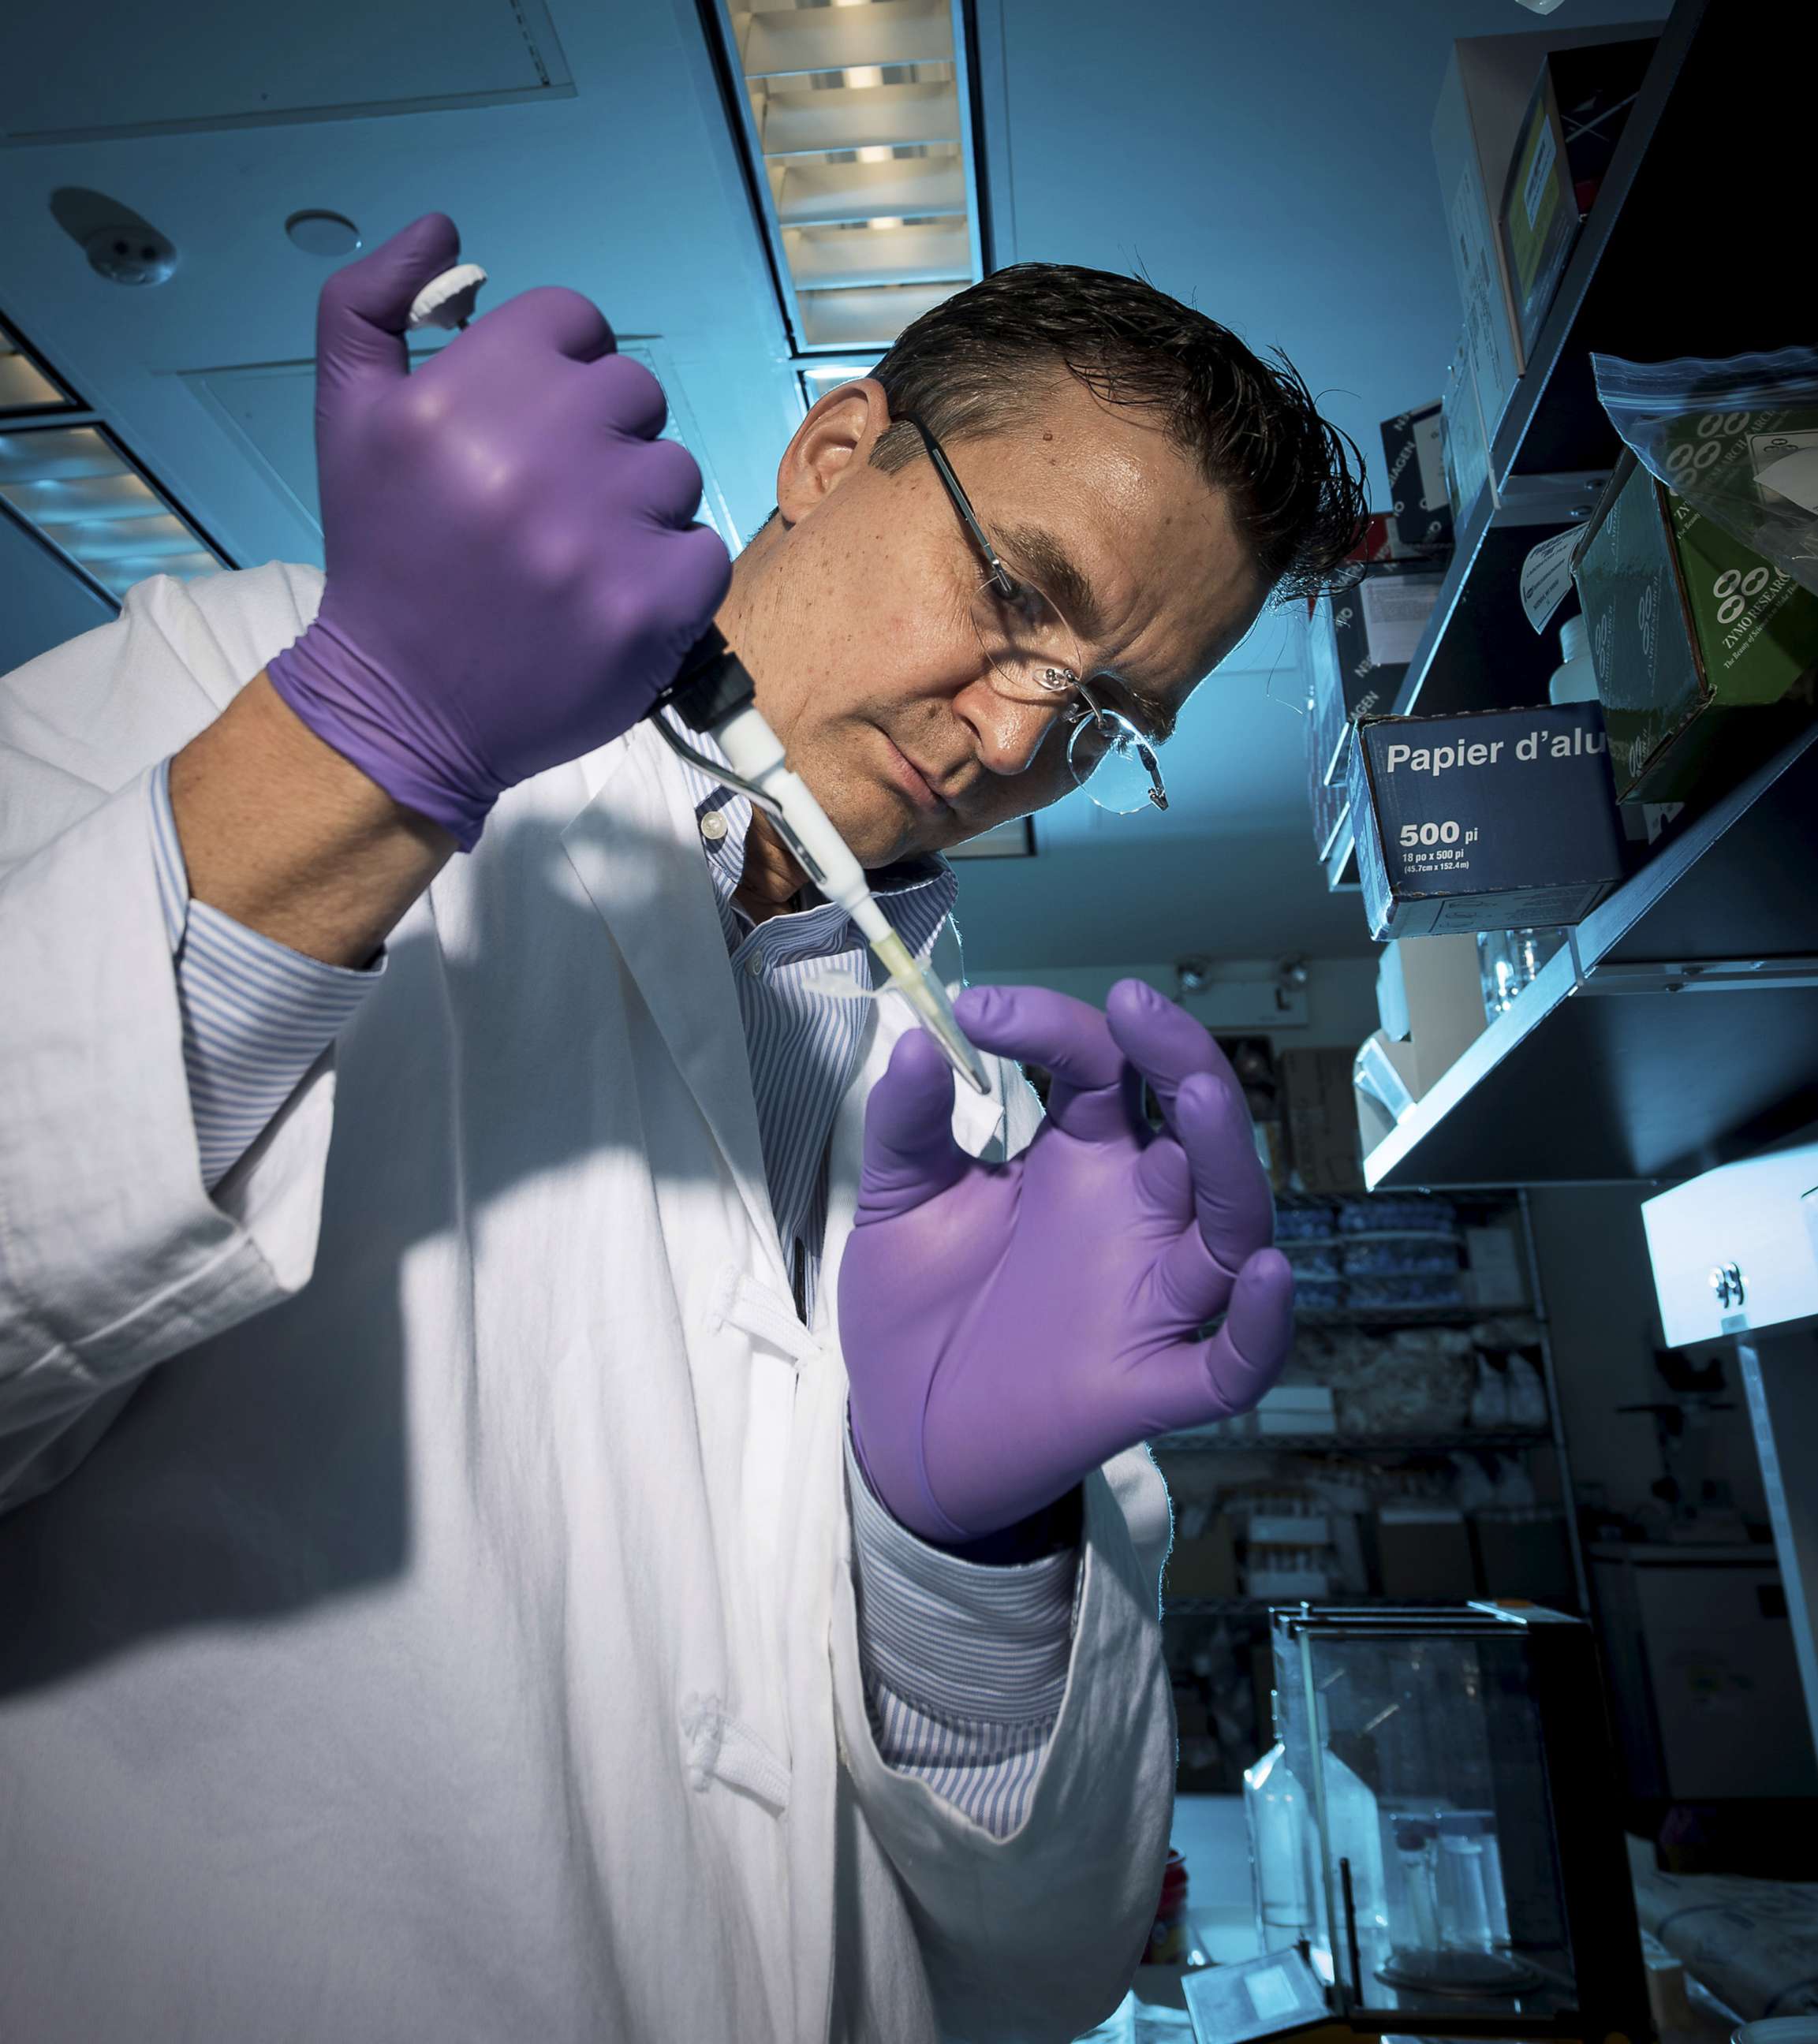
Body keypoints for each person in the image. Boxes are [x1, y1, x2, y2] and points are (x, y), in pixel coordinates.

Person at [0, 214, 1364, 2042]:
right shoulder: (256, 686)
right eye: (1017, 597)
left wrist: (963, 1566)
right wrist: (361, 754)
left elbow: (1042, 1959)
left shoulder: (994, 1144)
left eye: (1106, 707)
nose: (1018, 727)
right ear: (830, 457)